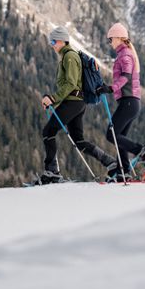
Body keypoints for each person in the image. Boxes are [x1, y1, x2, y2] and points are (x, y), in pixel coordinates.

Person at [40, 26, 115, 184]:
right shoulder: (67, 56)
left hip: (73, 102)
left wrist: (53, 99)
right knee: (79, 141)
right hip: (76, 103)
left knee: (48, 132)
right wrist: (53, 99)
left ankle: (51, 172)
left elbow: (71, 84)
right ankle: (110, 162)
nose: (52, 44)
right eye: (50, 42)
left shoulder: (69, 57)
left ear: (62, 40)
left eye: (53, 41)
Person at [96, 22, 145, 182]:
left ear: (120, 38)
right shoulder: (125, 54)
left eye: (111, 39)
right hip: (130, 103)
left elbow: (126, 76)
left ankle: (142, 150)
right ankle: (124, 171)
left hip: (129, 102)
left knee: (111, 134)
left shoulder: (125, 54)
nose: (110, 42)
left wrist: (111, 88)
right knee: (119, 136)